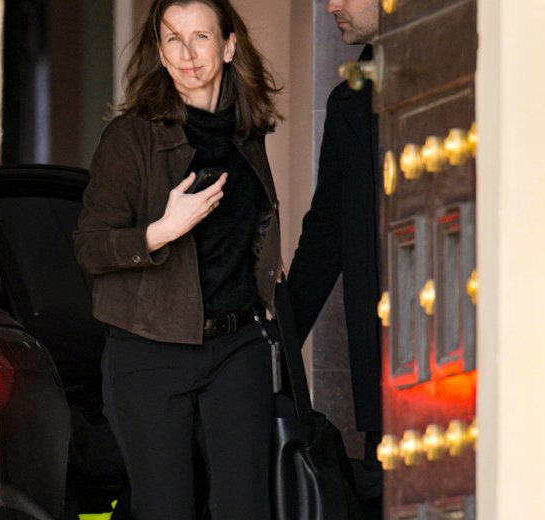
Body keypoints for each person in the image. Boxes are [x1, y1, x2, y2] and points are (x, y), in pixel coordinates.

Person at [72, 0, 283, 518]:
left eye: (201, 37)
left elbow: (252, 230)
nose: (188, 53)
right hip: (149, 351)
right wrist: (162, 231)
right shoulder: (130, 137)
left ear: (229, 47)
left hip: (236, 347)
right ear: (160, 53)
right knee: (165, 508)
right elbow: (89, 245)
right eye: (173, 39)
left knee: (246, 507)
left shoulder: (246, 132)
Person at [288, 0, 385, 506]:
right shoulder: (349, 101)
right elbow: (325, 238)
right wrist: (280, 344)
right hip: (381, 376)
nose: (332, 6)